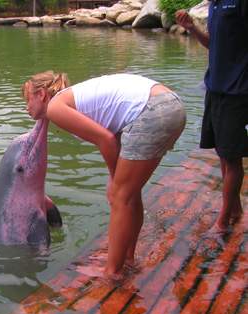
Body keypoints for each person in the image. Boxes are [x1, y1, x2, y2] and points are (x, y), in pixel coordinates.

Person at [22, 71, 186, 278]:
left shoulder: (55, 107)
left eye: (27, 99)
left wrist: (114, 178)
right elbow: (115, 133)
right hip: (171, 105)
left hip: (153, 111)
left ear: (42, 94)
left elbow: (106, 140)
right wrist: (117, 180)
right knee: (129, 195)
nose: (26, 107)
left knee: (120, 196)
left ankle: (112, 272)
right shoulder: (73, 99)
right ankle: (126, 258)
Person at [176, 1, 248, 232]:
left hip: (237, 92)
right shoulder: (215, 4)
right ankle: (234, 209)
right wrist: (193, 29)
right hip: (215, 88)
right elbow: (215, 46)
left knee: (232, 156)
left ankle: (223, 222)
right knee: (222, 151)